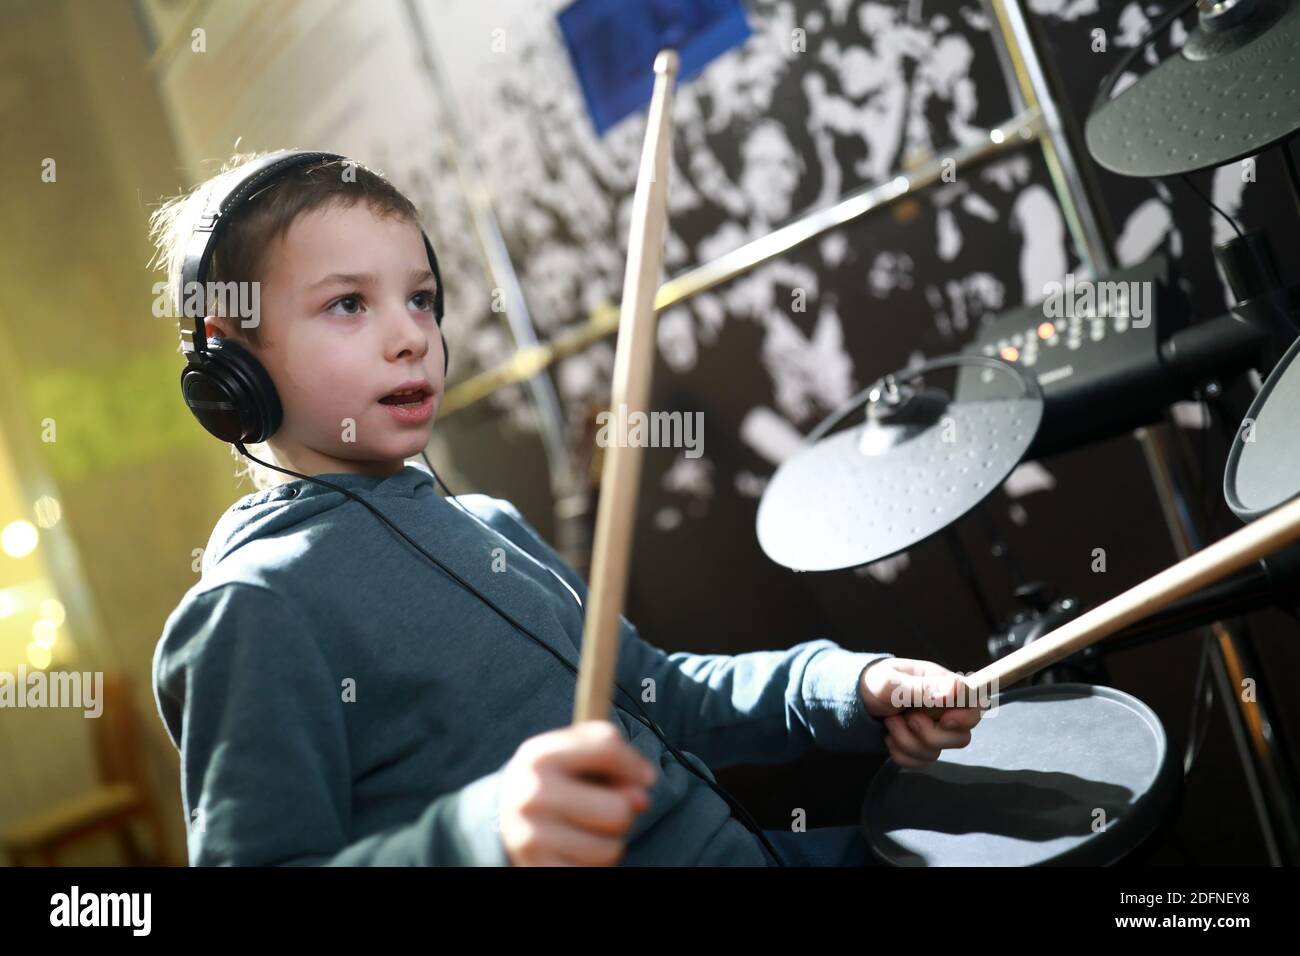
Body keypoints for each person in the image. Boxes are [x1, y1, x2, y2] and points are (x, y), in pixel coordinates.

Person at [148, 150, 982, 867]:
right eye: (348, 304)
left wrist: (847, 683)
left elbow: (665, 696)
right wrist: (481, 835)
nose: (410, 336)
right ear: (232, 361)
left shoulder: (488, 526)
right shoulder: (252, 610)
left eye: (421, 298)